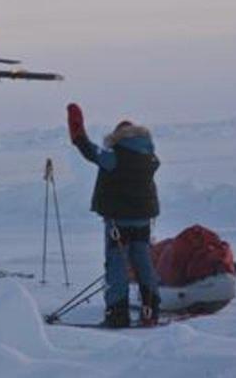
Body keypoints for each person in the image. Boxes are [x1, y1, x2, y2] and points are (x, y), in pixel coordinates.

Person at [67, 103, 161, 327]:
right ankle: (151, 312)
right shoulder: (149, 156)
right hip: (143, 221)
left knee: (117, 266)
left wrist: (76, 128)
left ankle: (117, 315)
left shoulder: (116, 155)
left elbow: (88, 150)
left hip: (119, 221)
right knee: (143, 265)